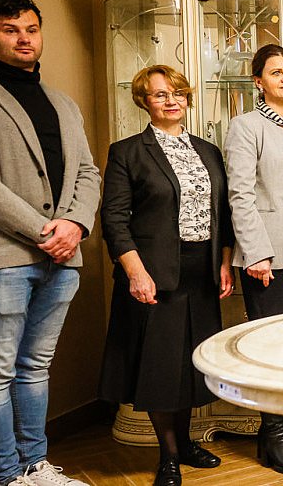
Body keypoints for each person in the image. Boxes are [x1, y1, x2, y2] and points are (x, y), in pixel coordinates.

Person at [0, 0, 101, 486]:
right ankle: (6, 476)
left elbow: (88, 174)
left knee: (35, 368)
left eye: (31, 29)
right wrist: (44, 232)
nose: (24, 39)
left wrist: (74, 225)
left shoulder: (62, 102)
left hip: (62, 256)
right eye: (10, 30)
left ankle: (37, 467)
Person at [99, 65, 234, 486]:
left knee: (193, 364)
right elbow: (114, 219)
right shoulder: (127, 151)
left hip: (202, 272)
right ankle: (169, 455)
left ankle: (189, 440)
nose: (171, 100)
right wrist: (136, 273)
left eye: (177, 92)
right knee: (161, 367)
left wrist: (225, 261)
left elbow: (223, 215)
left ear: (187, 97)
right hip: (155, 275)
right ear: (144, 102)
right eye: (159, 95)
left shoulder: (209, 150)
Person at [224, 44, 283, 475]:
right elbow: (239, 195)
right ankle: (274, 432)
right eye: (275, 72)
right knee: (268, 346)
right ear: (257, 81)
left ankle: (277, 432)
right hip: (268, 252)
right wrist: (256, 253)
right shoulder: (246, 127)